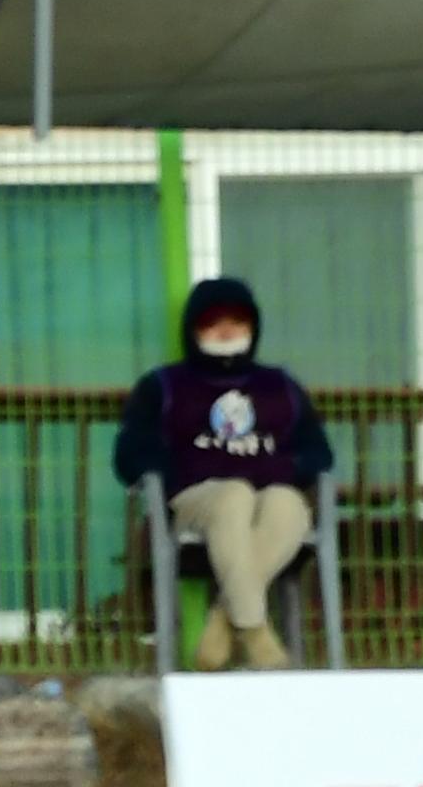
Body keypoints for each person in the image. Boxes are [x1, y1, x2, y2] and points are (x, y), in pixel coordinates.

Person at [116, 274, 334, 671]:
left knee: (289, 504)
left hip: (269, 495)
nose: (226, 330)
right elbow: (132, 453)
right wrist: (168, 478)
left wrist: (288, 468)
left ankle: (223, 620)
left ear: (253, 327)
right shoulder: (163, 386)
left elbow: (317, 452)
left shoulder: (280, 386)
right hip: (197, 500)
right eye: (213, 322)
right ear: (194, 329)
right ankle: (254, 630)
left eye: (237, 321)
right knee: (234, 493)